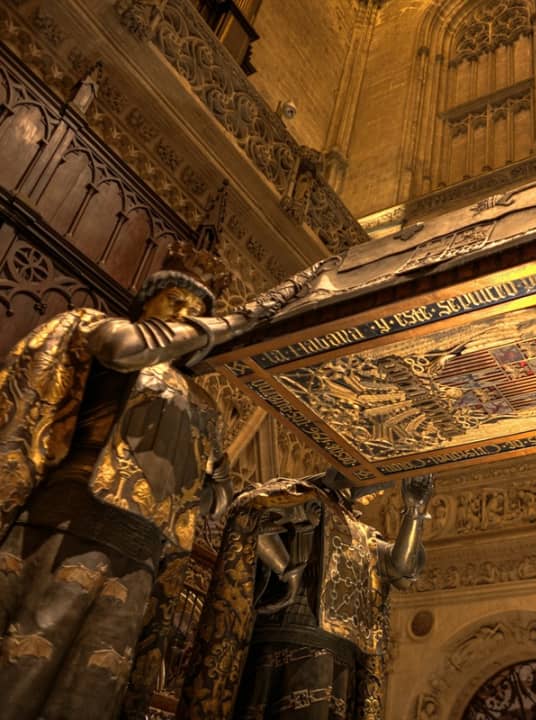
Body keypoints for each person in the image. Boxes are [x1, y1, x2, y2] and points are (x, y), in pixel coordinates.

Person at [0, 240, 255, 720]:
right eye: (174, 302)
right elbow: (123, 350)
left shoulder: (201, 401)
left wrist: (201, 487)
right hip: (73, 517)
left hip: (141, 548)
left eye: (195, 311)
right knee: (27, 653)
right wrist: (231, 323)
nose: (183, 316)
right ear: (146, 302)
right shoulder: (100, 328)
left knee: (94, 683)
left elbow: (217, 494)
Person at [179, 470, 433, 720]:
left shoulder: (365, 536)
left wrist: (414, 512)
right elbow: (248, 511)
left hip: (340, 651)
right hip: (289, 632)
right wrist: (285, 564)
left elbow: (403, 567)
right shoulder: (297, 494)